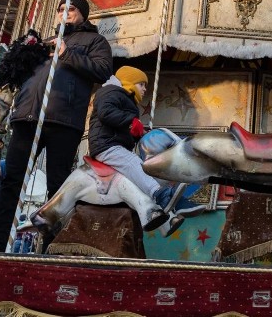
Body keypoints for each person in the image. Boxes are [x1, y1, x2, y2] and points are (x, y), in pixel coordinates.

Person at [0, 0, 113, 252]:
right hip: (27, 118)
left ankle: (53, 247)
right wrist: (22, 53)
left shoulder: (94, 41)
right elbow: (15, 75)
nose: (65, 13)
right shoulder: (43, 44)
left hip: (63, 120)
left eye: (72, 9)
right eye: (61, 9)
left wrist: (67, 54)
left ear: (83, 14)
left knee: (58, 186)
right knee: (12, 182)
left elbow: (102, 71)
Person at [87, 66, 204, 234]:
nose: (144, 89)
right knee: (135, 164)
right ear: (129, 82)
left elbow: (125, 129)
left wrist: (139, 132)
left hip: (116, 144)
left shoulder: (127, 100)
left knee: (143, 173)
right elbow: (106, 113)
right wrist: (130, 122)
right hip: (105, 145)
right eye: (141, 84)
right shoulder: (110, 92)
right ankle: (161, 195)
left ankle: (169, 216)